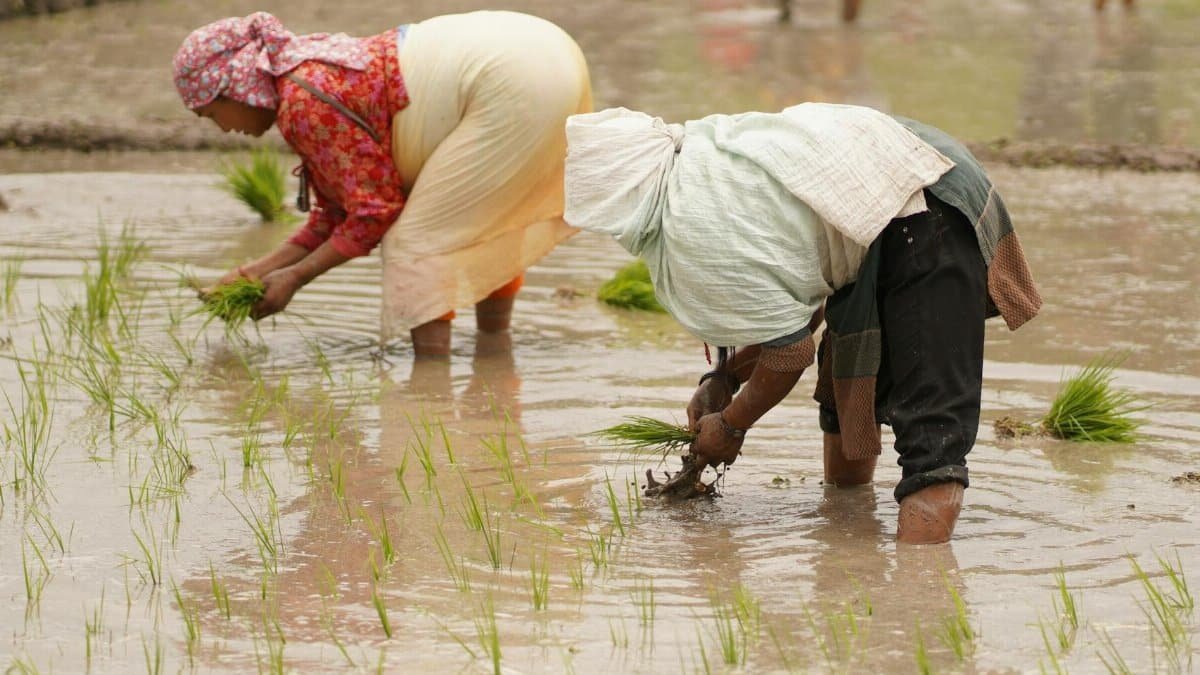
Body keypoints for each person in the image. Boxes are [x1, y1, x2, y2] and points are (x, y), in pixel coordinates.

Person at [564, 104, 1042, 544]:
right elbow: (795, 296)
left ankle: (916, 599)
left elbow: (792, 353)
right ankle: (848, 541)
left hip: (922, 198)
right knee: (846, 389)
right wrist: (723, 378)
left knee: (930, 445)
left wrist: (730, 427)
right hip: (873, 207)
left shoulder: (698, 215)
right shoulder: (701, 171)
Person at [174, 11, 592, 356]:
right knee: (485, 222)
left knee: (414, 242)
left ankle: (429, 394)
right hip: (547, 49)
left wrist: (296, 278)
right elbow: (337, 215)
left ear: (237, 87)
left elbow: (375, 213)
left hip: (511, 81)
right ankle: (495, 354)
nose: (224, 130)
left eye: (213, 115)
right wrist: (253, 271)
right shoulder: (307, 72)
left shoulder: (303, 103)